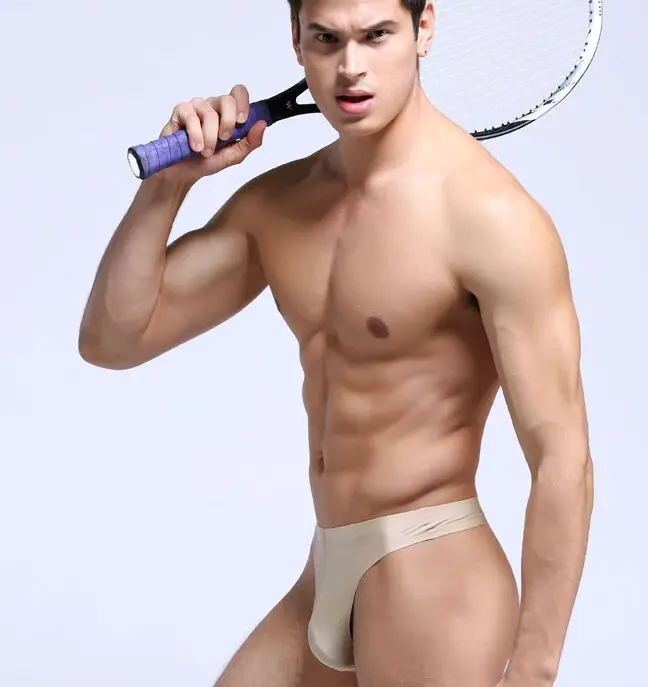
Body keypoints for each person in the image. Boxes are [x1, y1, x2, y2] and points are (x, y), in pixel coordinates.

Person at [78, 0, 594, 684]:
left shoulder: (487, 217)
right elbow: (114, 338)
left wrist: (534, 666)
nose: (351, 66)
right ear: (297, 41)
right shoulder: (280, 203)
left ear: (424, 29)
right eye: (327, 39)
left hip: (432, 571)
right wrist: (168, 189)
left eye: (377, 35)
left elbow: (562, 456)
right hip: (325, 566)